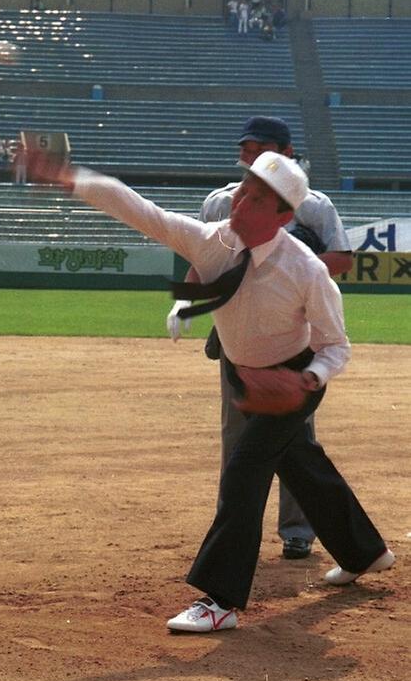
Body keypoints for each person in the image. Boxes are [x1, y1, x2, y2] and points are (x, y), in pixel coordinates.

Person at [28, 148, 394, 633]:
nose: (241, 204)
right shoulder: (211, 242)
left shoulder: (306, 270)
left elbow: (336, 348)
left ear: (284, 216)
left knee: (245, 469)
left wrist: (303, 382)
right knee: (301, 464)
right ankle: (365, 552)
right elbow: (140, 210)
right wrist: (70, 177)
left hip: (294, 380)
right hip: (246, 375)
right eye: (243, 191)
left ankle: (219, 600)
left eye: (258, 200)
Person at [167, 116, 353, 561]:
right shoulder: (219, 203)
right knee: (236, 433)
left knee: (294, 438)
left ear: (287, 153)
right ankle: (230, 525)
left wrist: (281, 277)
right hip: (236, 333)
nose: (250, 155)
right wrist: (186, 301)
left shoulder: (314, 205)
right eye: (245, 149)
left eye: (261, 147)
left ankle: (297, 530)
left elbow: (341, 259)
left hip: (291, 334)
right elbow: (205, 259)